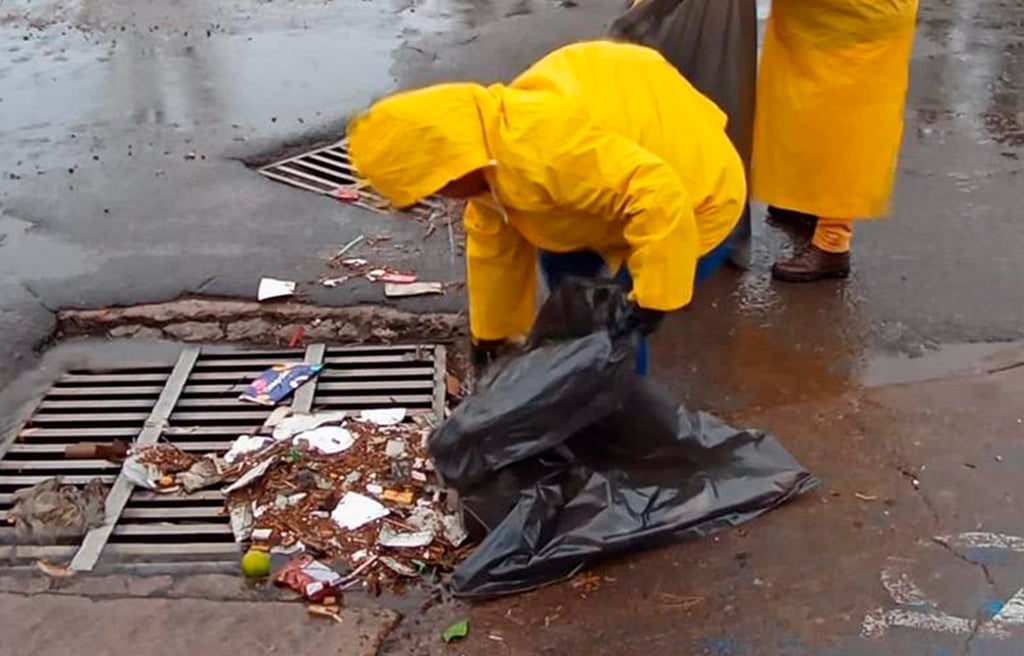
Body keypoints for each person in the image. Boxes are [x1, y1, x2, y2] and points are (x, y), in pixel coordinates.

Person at [347, 40, 746, 374]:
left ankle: (619, 415)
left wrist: (650, 300)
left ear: (453, 167)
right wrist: (494, 337)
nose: (441, 198)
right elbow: (495, 250)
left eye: (433, 188)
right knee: (570, 286)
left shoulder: (544, 153)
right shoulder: (484, 150)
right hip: (614, 170)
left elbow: (660, 194)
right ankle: (580, 365)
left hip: (693, 194)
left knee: (613, 327)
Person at [752, 0, 919, 282]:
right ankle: (809, 203)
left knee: (844, 131)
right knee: (803, 109)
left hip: (857, 21)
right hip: (814, 21)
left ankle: (833, 240)